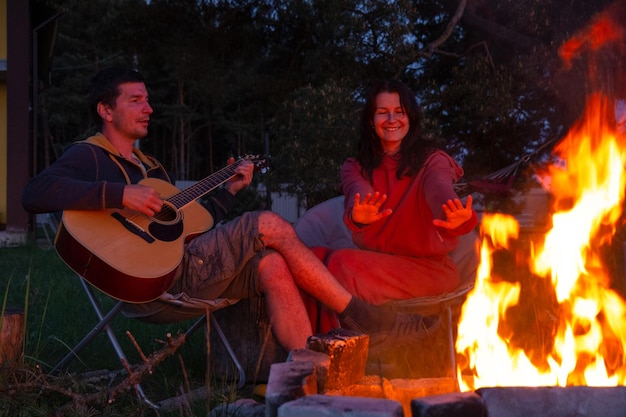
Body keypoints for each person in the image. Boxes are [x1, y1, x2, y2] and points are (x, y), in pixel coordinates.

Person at [22, 67, 438, 354]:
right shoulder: (91, 157)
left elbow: (186, 231)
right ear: (105, 110)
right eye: (136, 100)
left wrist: (229, 192)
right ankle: (364, 317)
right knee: (269, 223)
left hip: (186, 269)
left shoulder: (151, 169)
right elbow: (35, 193)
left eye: (148, 100)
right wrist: (119, 195)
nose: (149, 108)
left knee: (273, 264)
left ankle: (309, 378)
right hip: (148, 285)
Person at [318, 79, 478, 306]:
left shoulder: (432, 160)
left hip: (429, 271)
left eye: (399, 112)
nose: (392, 120)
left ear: (410, 118)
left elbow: (439, 185)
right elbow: (358, 189)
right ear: (371, 121)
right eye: (383, 112)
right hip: (377, 264)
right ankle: (309, 338)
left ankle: (344, 338)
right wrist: (357, 214)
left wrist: (452, 212)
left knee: (339, 264)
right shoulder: (355, 166)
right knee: (310, 259)